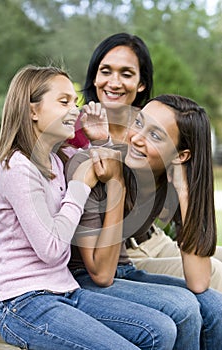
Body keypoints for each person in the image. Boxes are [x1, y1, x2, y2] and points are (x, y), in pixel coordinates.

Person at [0, 65, 179, 350]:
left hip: (64, 290)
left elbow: (107, 168)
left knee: (160, 329)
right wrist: (79, 186)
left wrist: (99, 139)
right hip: (23, 303)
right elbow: (52, 251)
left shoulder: (57, 158)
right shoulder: (17, 166)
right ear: (32, 111)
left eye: (74, 103)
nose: (74, 111)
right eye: (63, 102)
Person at [68, 31, 222, 291]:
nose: (114, 83)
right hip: (115, 253)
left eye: (126, 74)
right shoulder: (72, 130)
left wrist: (183, 190)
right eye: (105, 71)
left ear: (141, 83)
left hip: (153, 240)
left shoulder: (155, 121)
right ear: (94, 77)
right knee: (217, 277)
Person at [65, 94, 222, 350]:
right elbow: (100, 275)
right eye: (138, 123)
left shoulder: (165, 179)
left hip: (123, 273)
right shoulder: (95, 165)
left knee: (216, 307)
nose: (137, 138)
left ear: (181, 156)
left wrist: (184, 193)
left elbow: (199, 282)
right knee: (183, 309)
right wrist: (117, 184)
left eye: (156, 136)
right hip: (80, 278)